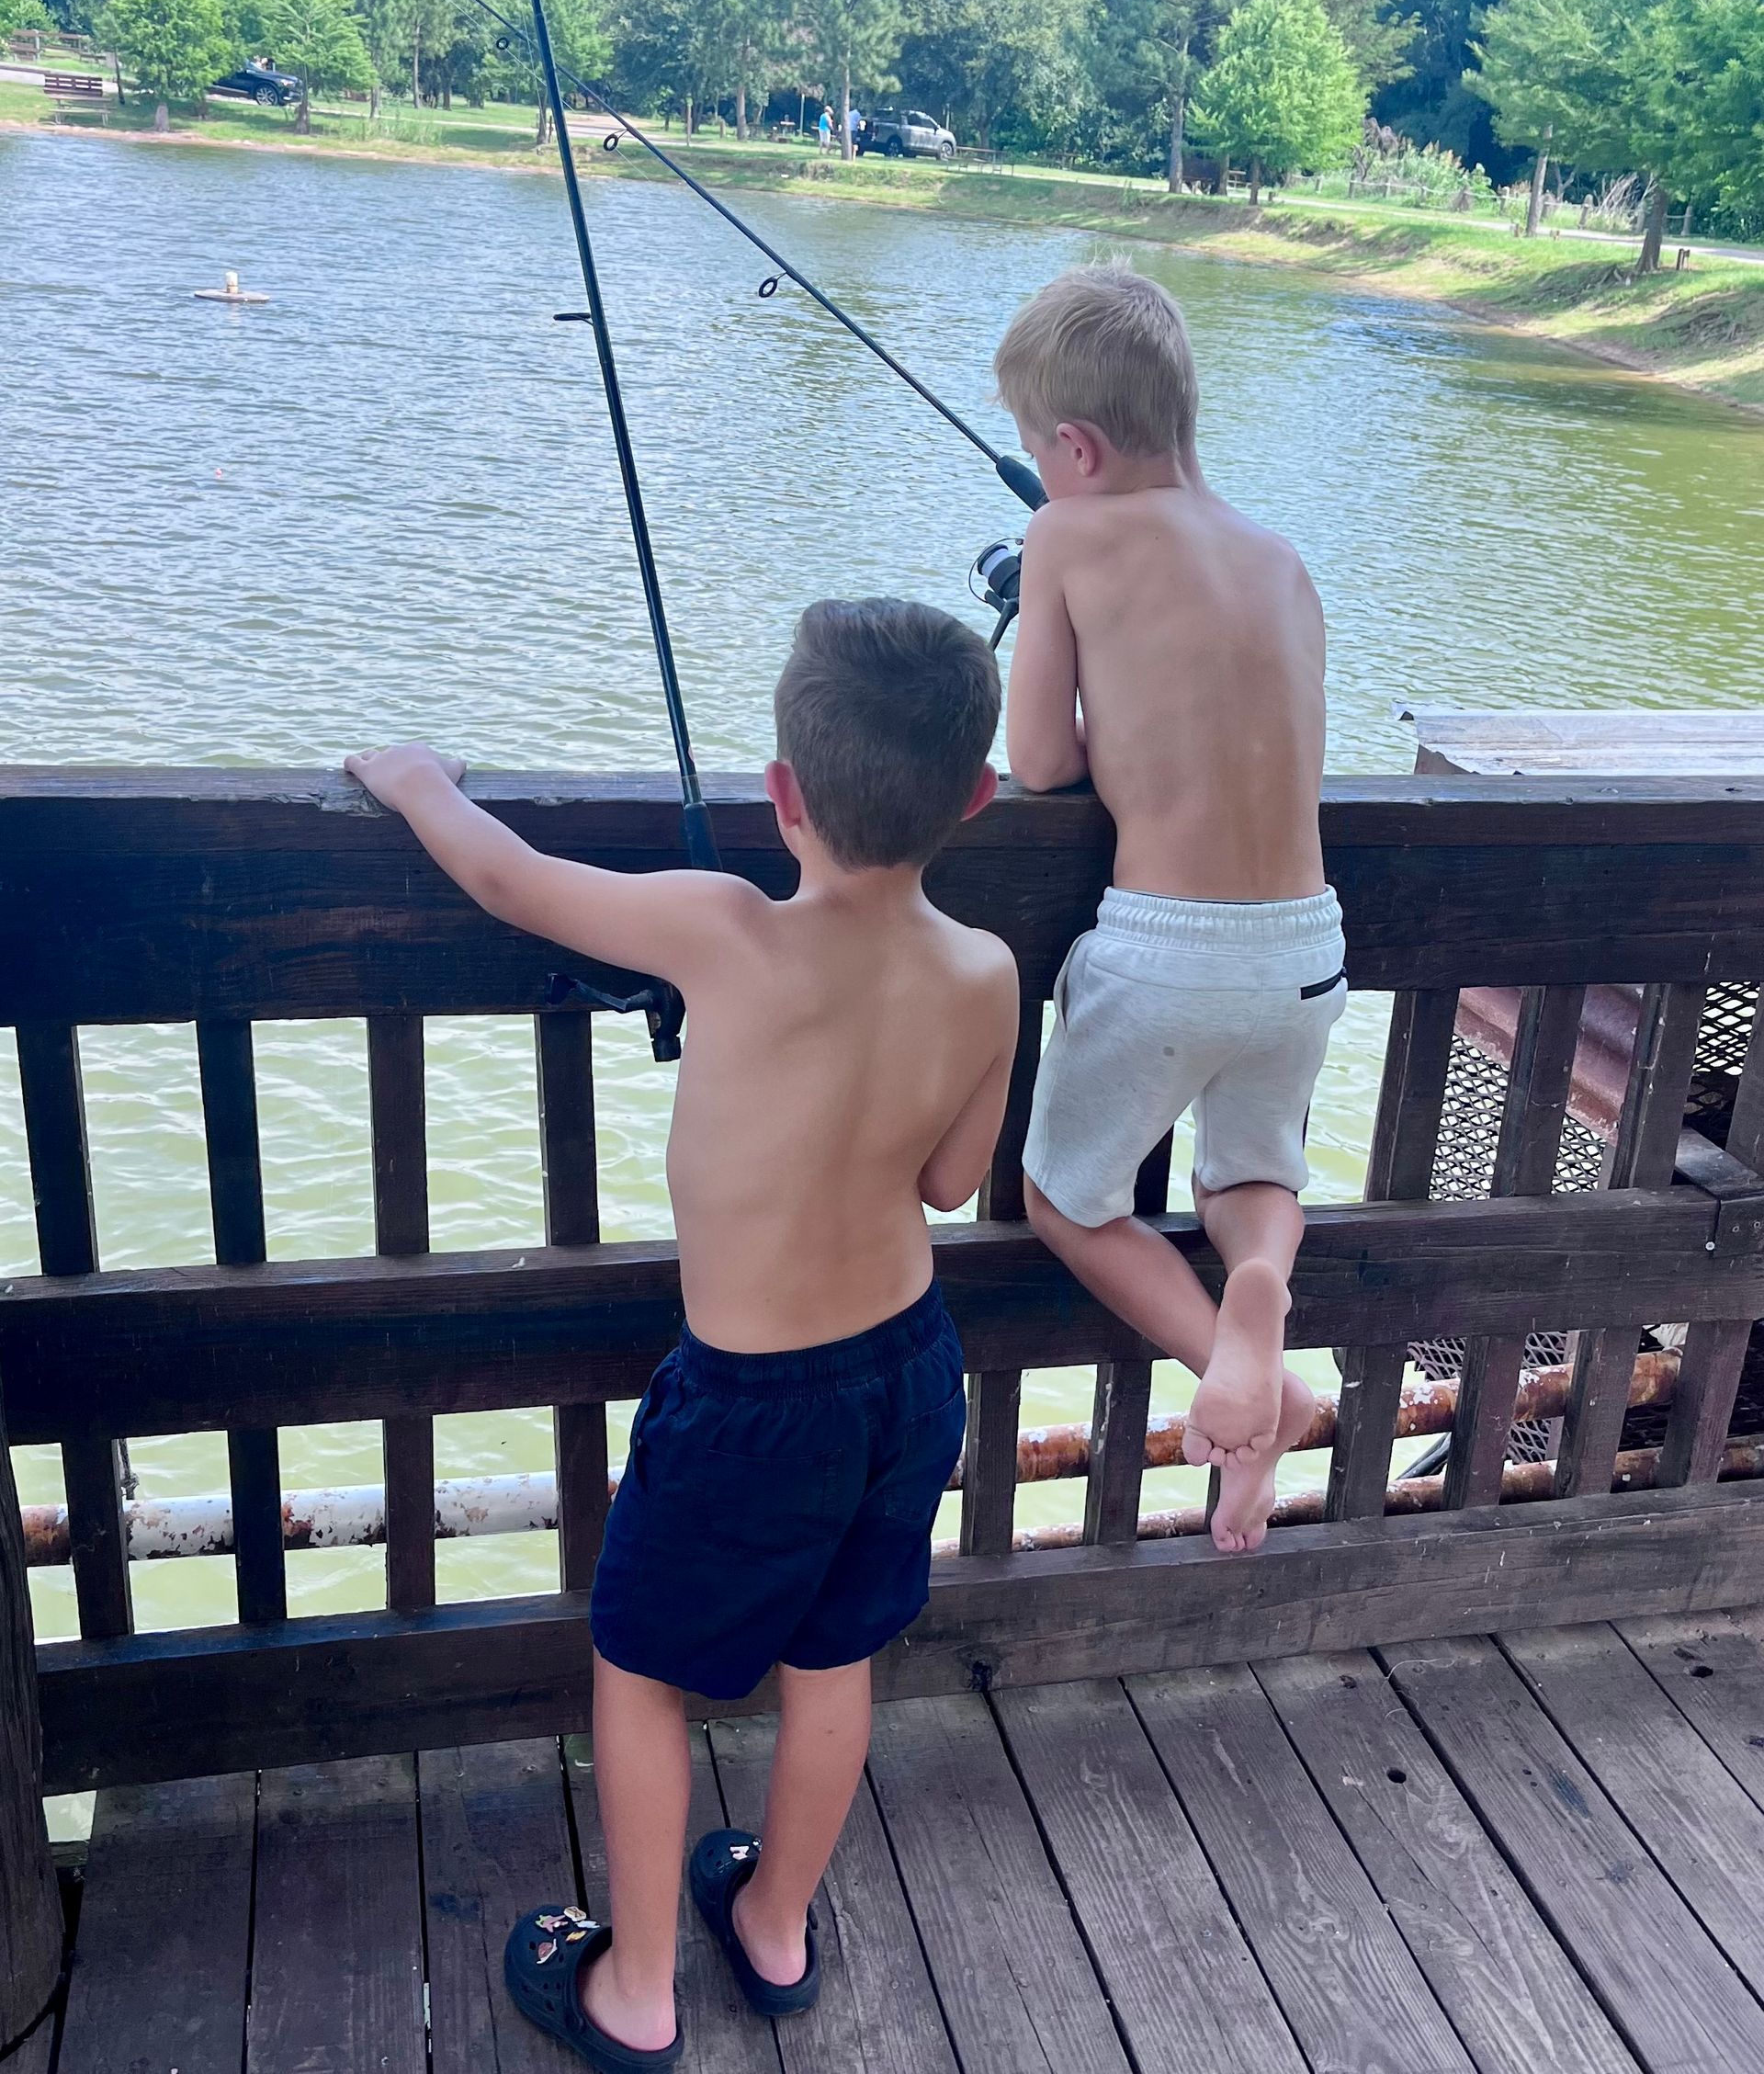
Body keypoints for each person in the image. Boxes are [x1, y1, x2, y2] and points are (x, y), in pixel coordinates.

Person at [345, 597, 1018, 2071]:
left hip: (751, 1403)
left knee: (644, 1671)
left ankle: (637, 1988)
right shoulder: (986, 974)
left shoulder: (722, 931)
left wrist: (414, 780)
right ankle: (774, 1926)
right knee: (834, 1657)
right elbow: (953, 1181)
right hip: (908, 1369)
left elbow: (511, 881)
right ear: (977, 795)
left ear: (781, 797)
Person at [995, 261, 1344, 1557]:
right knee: (1253, 1172)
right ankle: (1260, 1282)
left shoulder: (1068, 534)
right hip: (1305, 947)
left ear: (1072, 448)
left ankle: (1249, 1365)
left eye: (1040, 453)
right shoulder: (1283, 559)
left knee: (1069, 1201)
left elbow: (1039, 762)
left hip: (1167, 949)